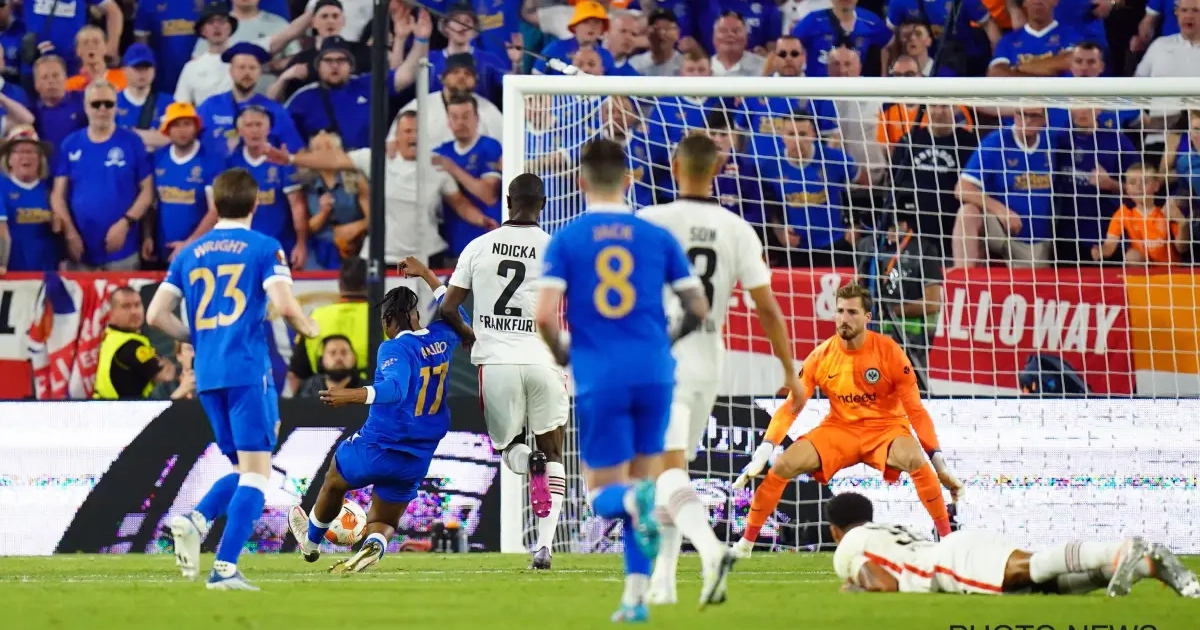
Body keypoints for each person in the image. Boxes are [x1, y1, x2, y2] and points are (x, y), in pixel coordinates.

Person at [532, 139, 722, 621]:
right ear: (629, 180)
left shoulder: (568, 238)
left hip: (601, 373)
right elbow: (698, 307)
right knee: (642, 485)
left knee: (604, 494)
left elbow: (545, 317)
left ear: (579, 181)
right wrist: (665, 342)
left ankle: (638, 520)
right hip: (656, 372)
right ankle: (635, 599)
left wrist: (565, 355)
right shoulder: (655, 235)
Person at [638, 134, 803, 606]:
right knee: (673, 471)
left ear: (674, 167)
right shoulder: (737, 229)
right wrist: (791, 372)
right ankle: (665, 581)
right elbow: (767, 308)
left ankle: (711, 551)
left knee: (664, 471)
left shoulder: (649, 221)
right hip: (709, 362)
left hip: (663, 359)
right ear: (717, 170)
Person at [145, 167, 319, 590]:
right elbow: (285, 304)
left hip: (208, 375)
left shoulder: (188, 253)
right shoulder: (264, 247)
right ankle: (224, 568)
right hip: (246, 369)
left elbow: (155, 315)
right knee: (258, 473)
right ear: (256, 203)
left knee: (245, 468)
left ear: (214, 203)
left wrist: (199, 338)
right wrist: (309, 328)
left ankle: (197, 519)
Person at [732, 283, 964, 556]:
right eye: (840, 311)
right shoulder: (821, 356)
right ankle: (745, 545)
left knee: (915, 459)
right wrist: (765, 448)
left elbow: (916, 411)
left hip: (886, 428)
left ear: (867, 317)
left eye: (852, 312)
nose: (844, 318)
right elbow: (792, 406)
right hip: (840, 428)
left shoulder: (889, 352)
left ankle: (947, 542)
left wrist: (939, 462)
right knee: (783, 464)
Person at [287, 256, 468, 574]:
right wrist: (427, 274)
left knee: (334, 480)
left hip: (381, 443)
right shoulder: (442, 337)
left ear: (389, 321)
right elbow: (456, 313)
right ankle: (374, 545)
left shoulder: (394, 348)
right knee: (384, 519)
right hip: (418, 453)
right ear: (415, 315)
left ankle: (311, 543)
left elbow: (394, 389)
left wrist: (351, 395)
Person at [438, 174, 568, 570]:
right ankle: (544, 548)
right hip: (544, 360)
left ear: (507, 201)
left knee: (509, 447)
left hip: (496, 362)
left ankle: (529, 462)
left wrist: (467, 334)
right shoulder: (555, 248)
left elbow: (447, 307)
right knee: (555, 451)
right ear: (543, 204)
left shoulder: (478, 246)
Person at [827, 492, 1200, 598]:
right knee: (1046, 584)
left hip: (948, 563)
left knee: (1033, 567)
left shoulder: (848, 547)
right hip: (957, 546)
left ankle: (1119, 550)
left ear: (834, 531)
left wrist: (857, 587)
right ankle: (1146, 566)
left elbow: (883, 584)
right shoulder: (885, 528)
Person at [286, 257, 371, 395]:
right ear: (369, 284)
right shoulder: (384, 319)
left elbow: (295, 374)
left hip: (322, 399)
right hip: (370, 398)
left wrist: (302, 404)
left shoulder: (316, 316)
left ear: (340, 284)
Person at [93, 287, 177, 400]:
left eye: (137, 305)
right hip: (128, 408)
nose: (134, 311)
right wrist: (169, 367)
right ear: (111, 313)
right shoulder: (132, 346)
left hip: (105, 405)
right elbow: (166, 377)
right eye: (126, 306)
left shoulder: (110, 336)